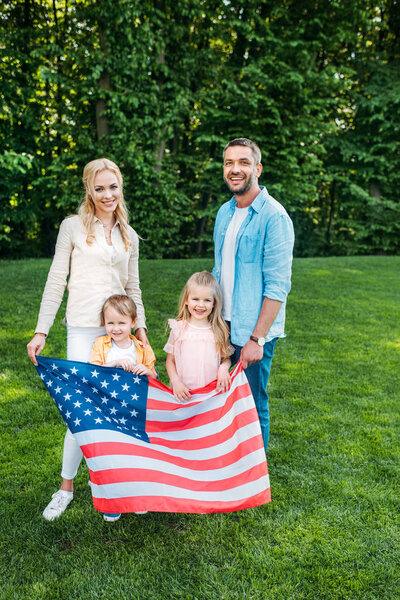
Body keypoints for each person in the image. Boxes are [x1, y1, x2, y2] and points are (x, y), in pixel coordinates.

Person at [27, 158, 149, 521]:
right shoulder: (72, 227)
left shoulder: (129, 234)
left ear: (120, 187)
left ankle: (115, 485)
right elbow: (55, 280)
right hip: (82, 328)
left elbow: (134, 288)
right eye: (100, 188)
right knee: (80, 412)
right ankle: (66, 487)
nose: (108, 194)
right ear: (89, 190)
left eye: (113, 186)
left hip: (120, 331)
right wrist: (41, 330)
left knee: (117, 409)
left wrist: (141, 334)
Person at [212, 138, 294, 452]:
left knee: (252, 401)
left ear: (257, 169)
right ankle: (227, 462)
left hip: (253, 331)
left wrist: (257, 339)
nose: (235, 169)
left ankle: (252, 475)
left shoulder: (274, 217)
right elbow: (220, 270)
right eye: (229, 163)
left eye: (243, 162)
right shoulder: (224, 213)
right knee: (223, 396)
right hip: (223, 324)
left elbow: (277, 287)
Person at [90, 293, 156, 522]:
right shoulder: (101, 344)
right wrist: (116, 363)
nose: (115, 328)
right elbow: (94, 372)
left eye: (121, 323)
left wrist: (146, 371)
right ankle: (113, 500)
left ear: (133, 323)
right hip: (109, 410)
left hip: (134, 410)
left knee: (135, 452)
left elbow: (154, 375)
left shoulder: (142, 347)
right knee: (111, 453)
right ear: (104, 323)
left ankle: (136, 496)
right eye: (110, 323)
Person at [164, 271, 232, 402]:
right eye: (195, 299)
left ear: (214, 304)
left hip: (211, 393)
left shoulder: (219, 331)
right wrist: (175, 381)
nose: (201, 305)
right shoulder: (179, 328)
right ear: (186, 300)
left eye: (207, 300)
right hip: (184, 392)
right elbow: (170, 360)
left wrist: (224, 369)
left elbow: (226, 358)